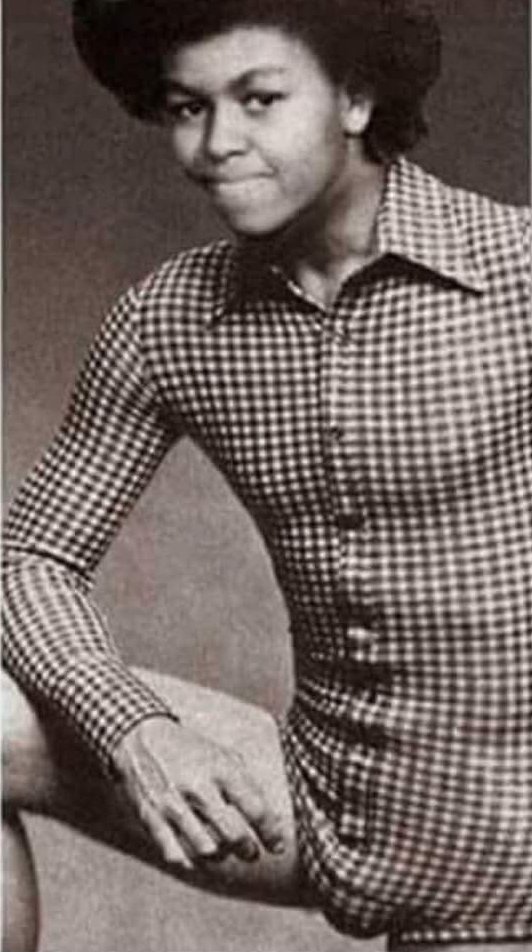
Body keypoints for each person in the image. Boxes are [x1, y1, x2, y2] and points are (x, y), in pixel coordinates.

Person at [3, 1, 531, 951]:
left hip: (502, 854)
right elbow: (28, 561)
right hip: (328, 804)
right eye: (187, 107)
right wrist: (134, 730)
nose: (217, 144)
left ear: (357, 98)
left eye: (259, 99)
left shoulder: (519, 274)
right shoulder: (169, 324)